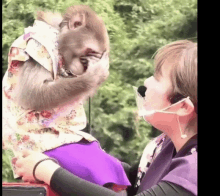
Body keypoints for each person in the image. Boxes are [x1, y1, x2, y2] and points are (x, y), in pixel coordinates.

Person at [15, 40, 198, 196]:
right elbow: (133, 180)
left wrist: (49, 172)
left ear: (182, 106)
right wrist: (74, 154)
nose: (147, 82)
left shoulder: (193, 171)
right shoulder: (165, 146)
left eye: (157, 78)